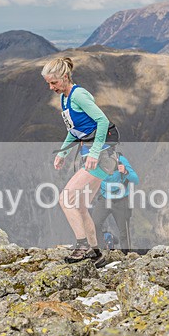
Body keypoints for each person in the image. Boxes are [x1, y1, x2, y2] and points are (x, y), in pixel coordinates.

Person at [42, 57, 114, 267]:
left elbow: (102, 121)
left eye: (53, 82)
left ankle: (82, 246)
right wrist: (63, 153)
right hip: (94, 156)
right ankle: (96, 253)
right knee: (81, 206)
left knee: (65, 199)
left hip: (101, 157)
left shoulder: (79, 95)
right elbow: (74, 131)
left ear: (65, 77)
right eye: (48, 83)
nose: (51, 87)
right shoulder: (65, 98)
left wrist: (94, 153)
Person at [91, 152, 139, 252]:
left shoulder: (121, 160)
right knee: (94, 224)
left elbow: (135, 180)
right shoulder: (96, 160)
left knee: (124, 233)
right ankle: (102, 252)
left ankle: (127, 256)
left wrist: (125, 171)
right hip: (105, 199)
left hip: (121, 200)